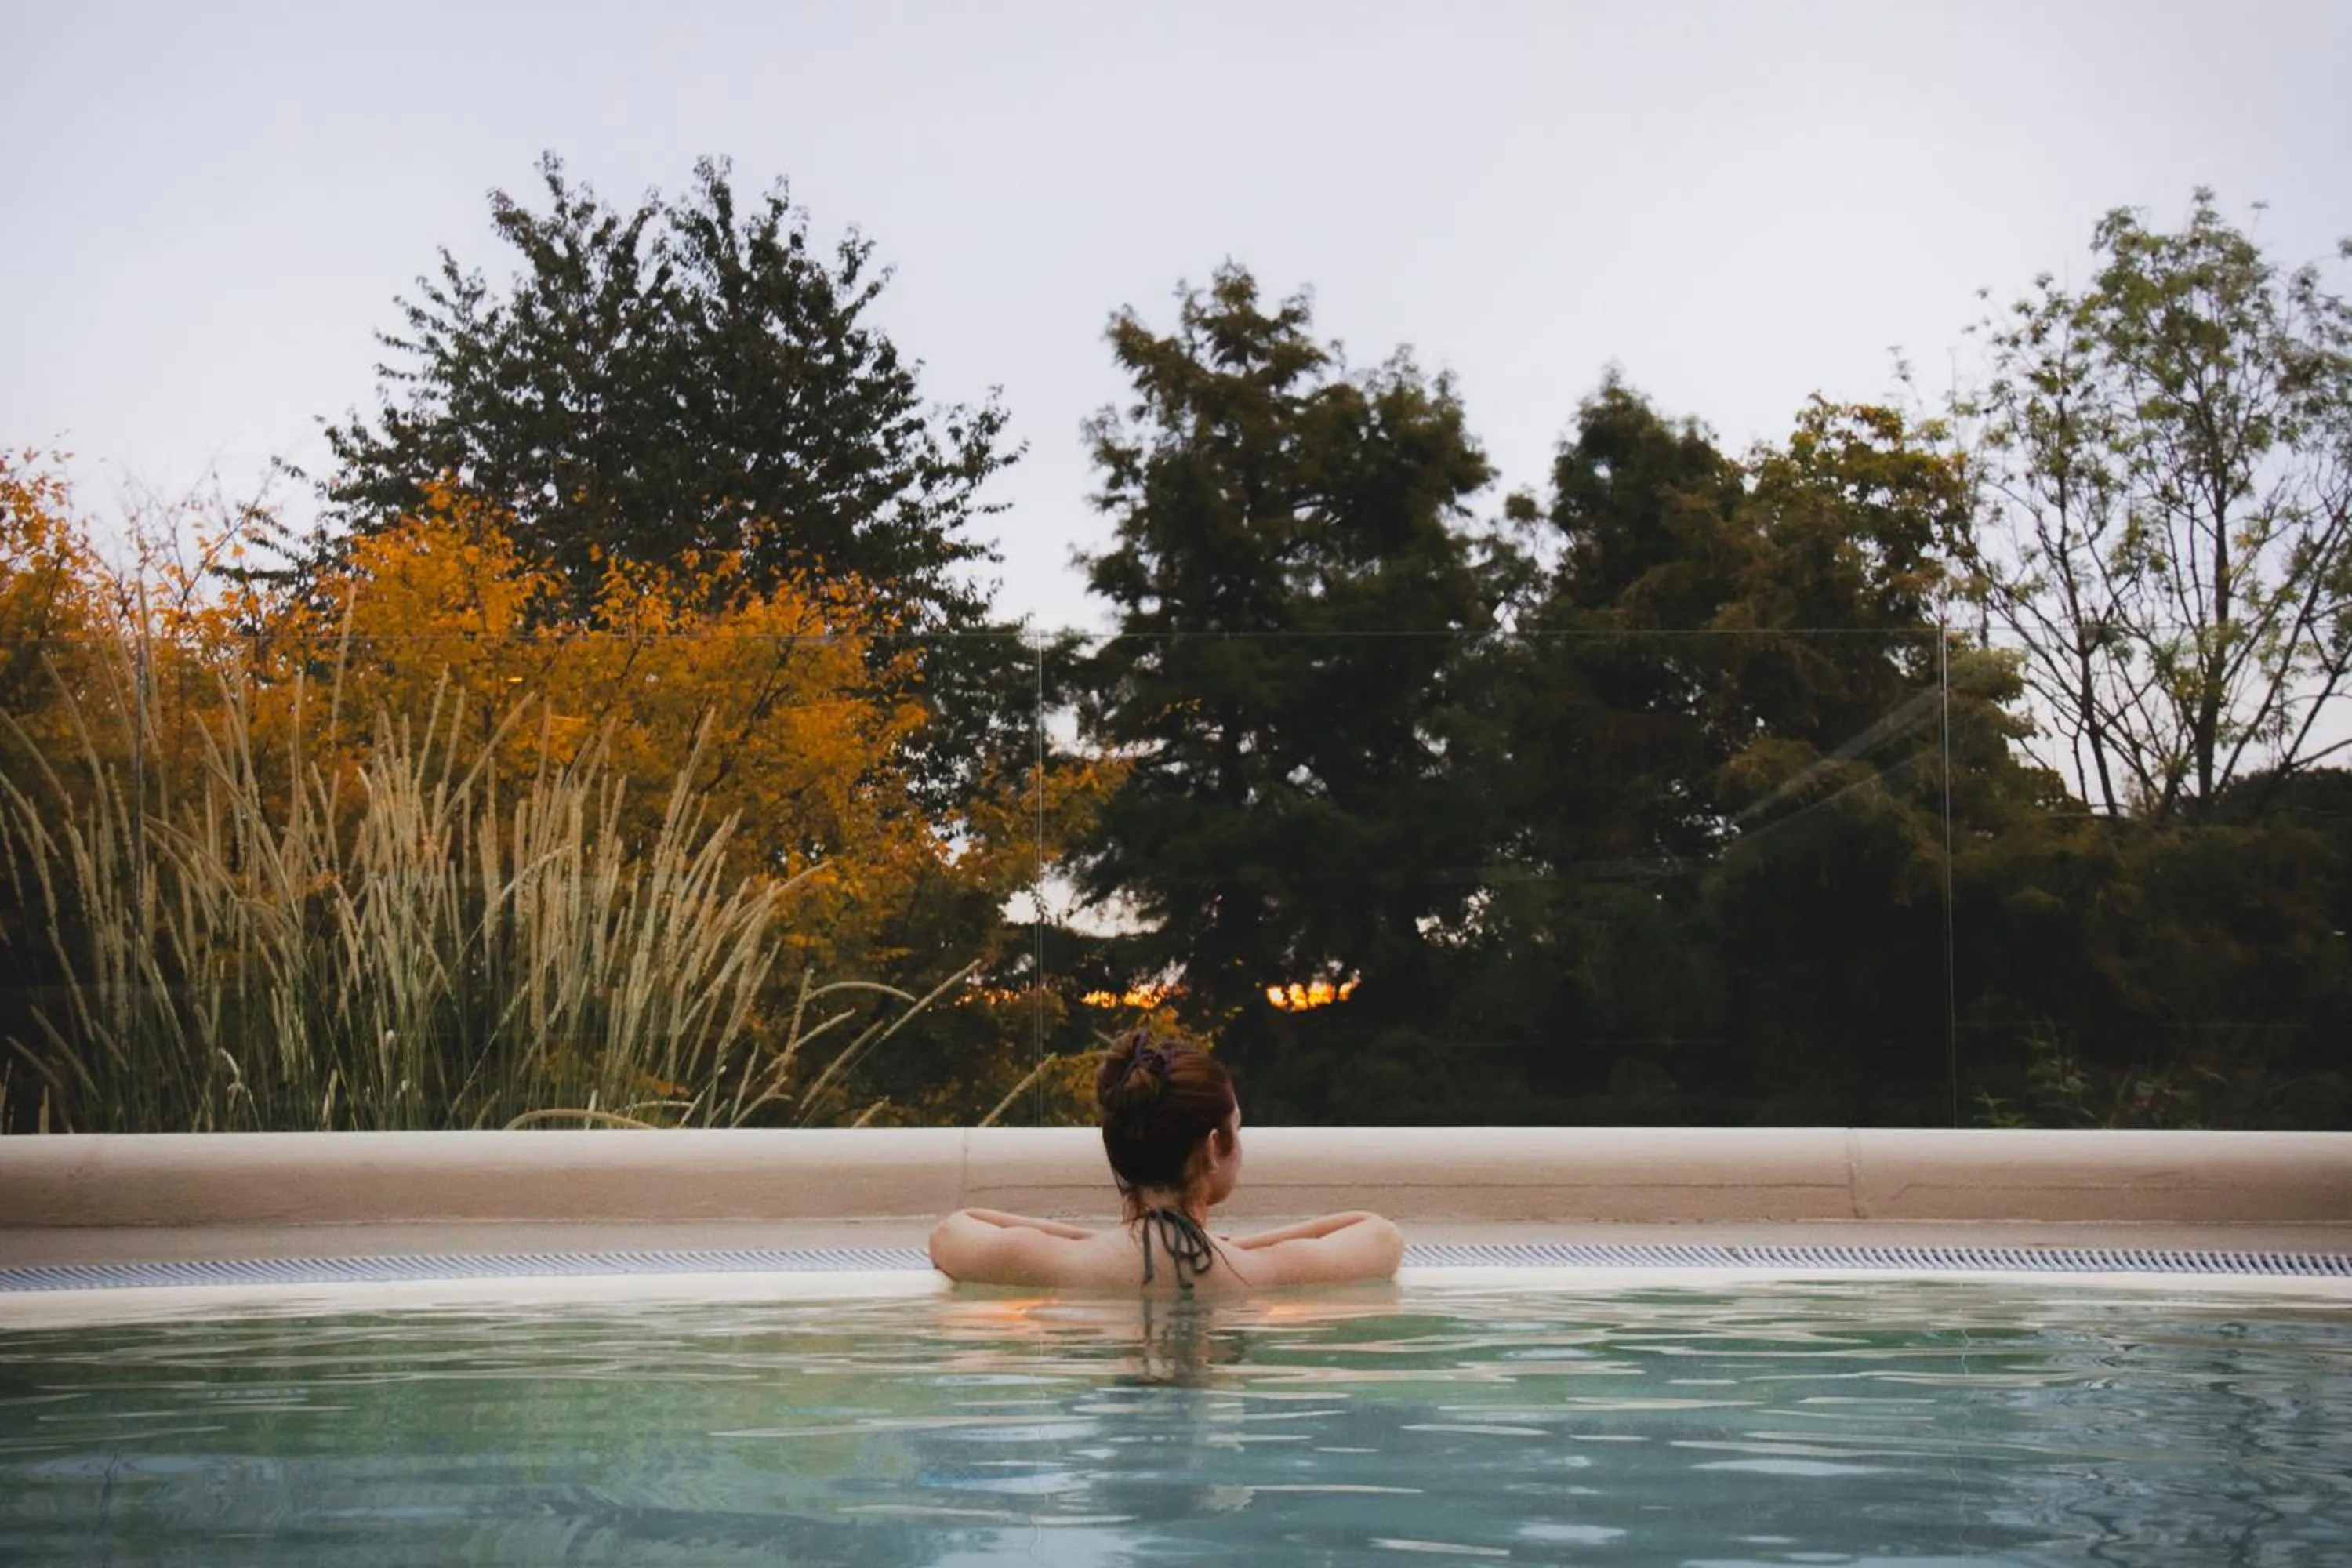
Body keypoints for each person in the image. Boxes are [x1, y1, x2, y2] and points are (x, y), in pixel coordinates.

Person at [928, 1028, 1404, 1292]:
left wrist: (1103, 1241)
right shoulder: (1256, 1272)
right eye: (1237, 1129)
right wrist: (1234, 1246)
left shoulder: (1059, 1265)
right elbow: (1379, 1234)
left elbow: (955, 1229)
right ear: (1213, 1147)